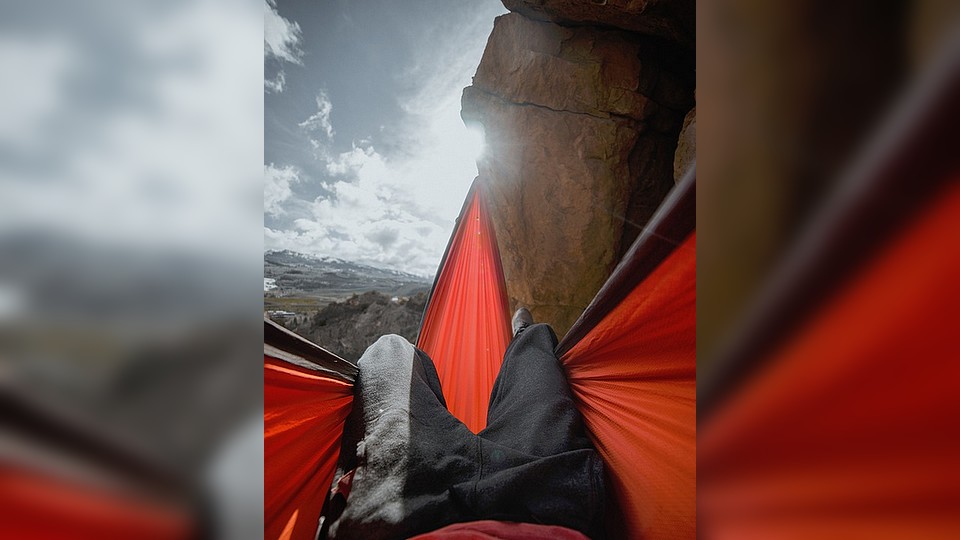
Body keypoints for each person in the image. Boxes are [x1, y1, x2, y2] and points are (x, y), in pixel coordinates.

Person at [319, 309, 607, 540]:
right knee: (537, 342)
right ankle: (522, 336)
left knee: (390, 349)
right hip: (545, 500)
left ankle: (431, 388)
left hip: (404, 509)